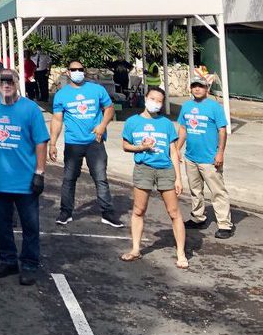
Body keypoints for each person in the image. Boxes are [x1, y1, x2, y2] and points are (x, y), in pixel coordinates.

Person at [0, 69, 49, 286]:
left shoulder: (30, 109)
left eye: (10, 81)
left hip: (25, 182)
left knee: (30, 226)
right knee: (1, 225)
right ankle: (8, 261)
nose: (6, 85)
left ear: (17, 83)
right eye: (2, 81)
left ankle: (29, 264)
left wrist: (40, 173)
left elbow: (40, 142)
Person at [120, 87, 187, 268]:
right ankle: (135, 249)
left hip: (165, 170)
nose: (155, 103)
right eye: (152, 99)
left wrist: (178, 178)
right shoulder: (133, 122)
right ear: (145, 98)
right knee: (139, 210)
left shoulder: (166, 123)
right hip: (143, 168)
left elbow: (174, 151)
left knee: (174, 212)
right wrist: (140, 148)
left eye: (159, 101)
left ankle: (181, 253)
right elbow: (125, 145)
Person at [50, 60, 123, 228]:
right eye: (73, 69)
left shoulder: (96, 89)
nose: (77, 72)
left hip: (94, 142)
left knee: (100, 178)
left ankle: (107, 213)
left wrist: (102, 125)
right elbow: (56, 119)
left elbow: (109, 108)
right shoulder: (61, 95)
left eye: (80, 69)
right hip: (73, 143)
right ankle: (65, 212)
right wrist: (52, 144)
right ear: (67, 72)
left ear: (84, 71)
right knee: (69, 179)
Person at [178, 77, 232, 239]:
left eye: (200, 86)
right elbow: (183, 129)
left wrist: (220, 152)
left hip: (209, 158)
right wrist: (176, 149)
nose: (197, 89)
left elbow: (222, 131)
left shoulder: (214, 107)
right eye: (194, 86)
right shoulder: (186, 106)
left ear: (206, 88)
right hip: (191, 157)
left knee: (217, 191)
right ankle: (198, 217)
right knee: (195, 190)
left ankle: (224, 224)